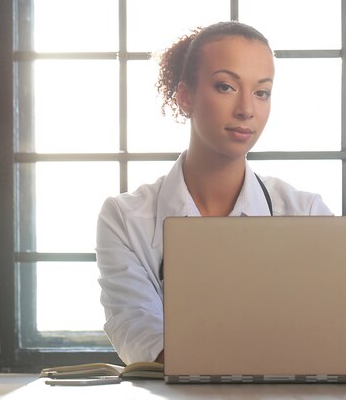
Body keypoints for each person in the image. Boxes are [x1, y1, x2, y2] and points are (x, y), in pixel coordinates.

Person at [95, 21, 332, 365]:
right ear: (185, 97)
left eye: (261, 92)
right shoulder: (124, 219)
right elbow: (138, 332)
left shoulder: (306, 213)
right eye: (226, 86)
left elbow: (328, 334)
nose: (246, 110)